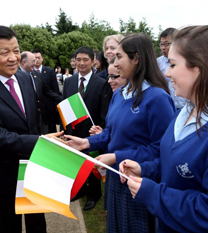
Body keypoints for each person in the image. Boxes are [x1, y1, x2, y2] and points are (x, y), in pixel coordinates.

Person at [119, 25, 208, 233]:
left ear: (200, 68)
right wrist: (145, 169)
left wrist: (154, 195)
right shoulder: (184, 112)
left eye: (172, 64)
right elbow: (175, 165)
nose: (167, 73)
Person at [65, 34, 175, 232]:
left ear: (136, 58)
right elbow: (110, 131)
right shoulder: (120, 94)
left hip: (139, 181)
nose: (115, 62)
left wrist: (116, 156)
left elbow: (162, 149)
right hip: (116, 179)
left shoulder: (157, 98)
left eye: (119, 56)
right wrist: (87, 143)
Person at [0, 25, 62, 233]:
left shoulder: (25, 78)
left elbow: (32, 121)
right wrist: (41, 141)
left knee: (36, 220)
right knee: (10, 223)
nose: (13, 57)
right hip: (1, 171)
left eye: (15, 50)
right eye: (4, 52)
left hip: (32, 164)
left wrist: (40, 147)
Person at [63, 46, 106, 211]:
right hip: (73, 132)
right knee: (75, 164)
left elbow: (104, 110)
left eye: (85, 60)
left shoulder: (101, 83)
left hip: (91, 133)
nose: (81, 63)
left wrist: (101, 128)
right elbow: (65, 105)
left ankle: (94, 195)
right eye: (78, 60)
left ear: (93, 61)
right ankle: (80, 190)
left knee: (91, 165)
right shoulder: (69, 82)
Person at [89, 56, 127, 136]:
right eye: (109, 76)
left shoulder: (146, 98)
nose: (109, 81)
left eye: (113, 77)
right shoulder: (114, 95)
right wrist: (102, 133)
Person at [157, 28, 187, 109]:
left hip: (186, 107)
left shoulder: (187, 61)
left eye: (166, 44)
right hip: (168, 107)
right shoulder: (157, 63)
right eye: (161, 44)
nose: (163, 47)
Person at [32, 49, 60, 133]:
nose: (36, 60)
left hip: (49, 107)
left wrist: (56, 105)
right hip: (35, 108)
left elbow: (55, 89)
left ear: (42, 59)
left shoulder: (50, 71)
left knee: (51, 130)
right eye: (34, 58)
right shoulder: (29, 72)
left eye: (38, 57)